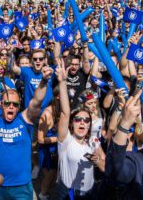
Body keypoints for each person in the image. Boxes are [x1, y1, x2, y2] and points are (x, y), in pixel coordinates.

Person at [0, 64, 53, 199]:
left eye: (15, 104)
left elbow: (36, 101)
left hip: (21, 187)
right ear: (0, 104)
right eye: (7, 103)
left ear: (18, 106)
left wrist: (43, 81)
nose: (11, 107)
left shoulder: (24, 119)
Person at [56, 59, 105, 199]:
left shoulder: (94, 140)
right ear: (72, 123)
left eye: (86, 120)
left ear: (90, 124)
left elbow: (105, 167)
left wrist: (97, 161)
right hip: (67, 193)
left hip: (89, 193)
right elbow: (65, 113)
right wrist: (62, 82)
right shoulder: (66, 140)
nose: (82, 123)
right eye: (78, 119)